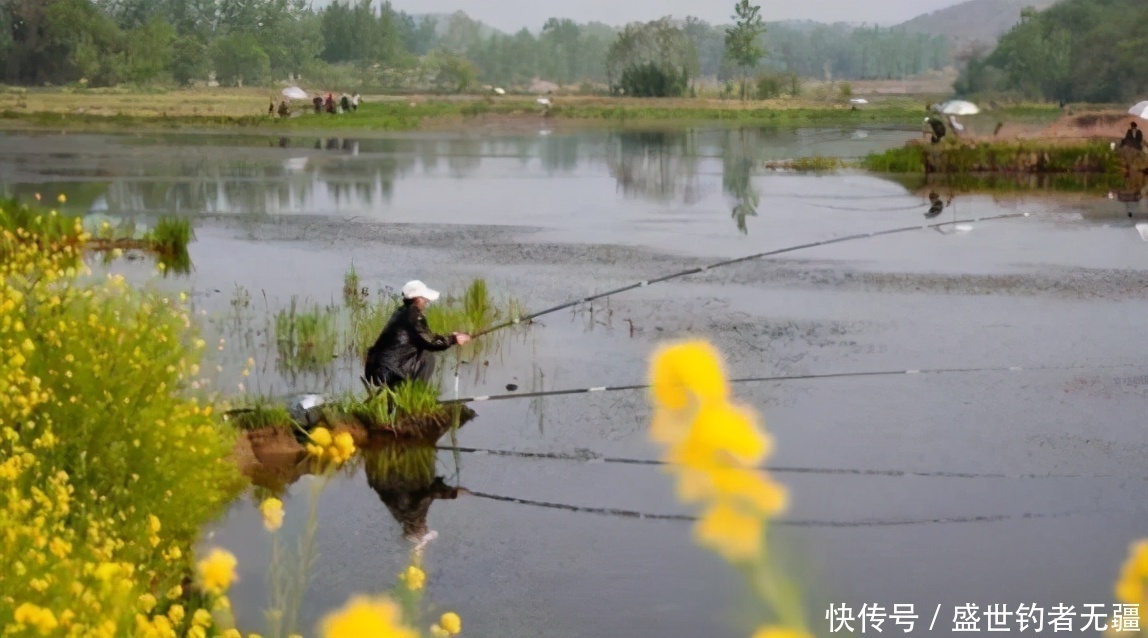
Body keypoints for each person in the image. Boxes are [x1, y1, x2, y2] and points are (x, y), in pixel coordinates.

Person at [364, 280, 471, 389]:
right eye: (424, 299)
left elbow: (425, 337)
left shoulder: (401, 312)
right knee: (427, 356)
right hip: (389, 373)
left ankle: (404, 391)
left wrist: (451, 337)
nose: (426, 301)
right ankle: (416, 393)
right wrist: (453, 339)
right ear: (418, 299)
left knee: (422, 351)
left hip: (377, 370)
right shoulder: (413, 317)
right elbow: (430, 343)